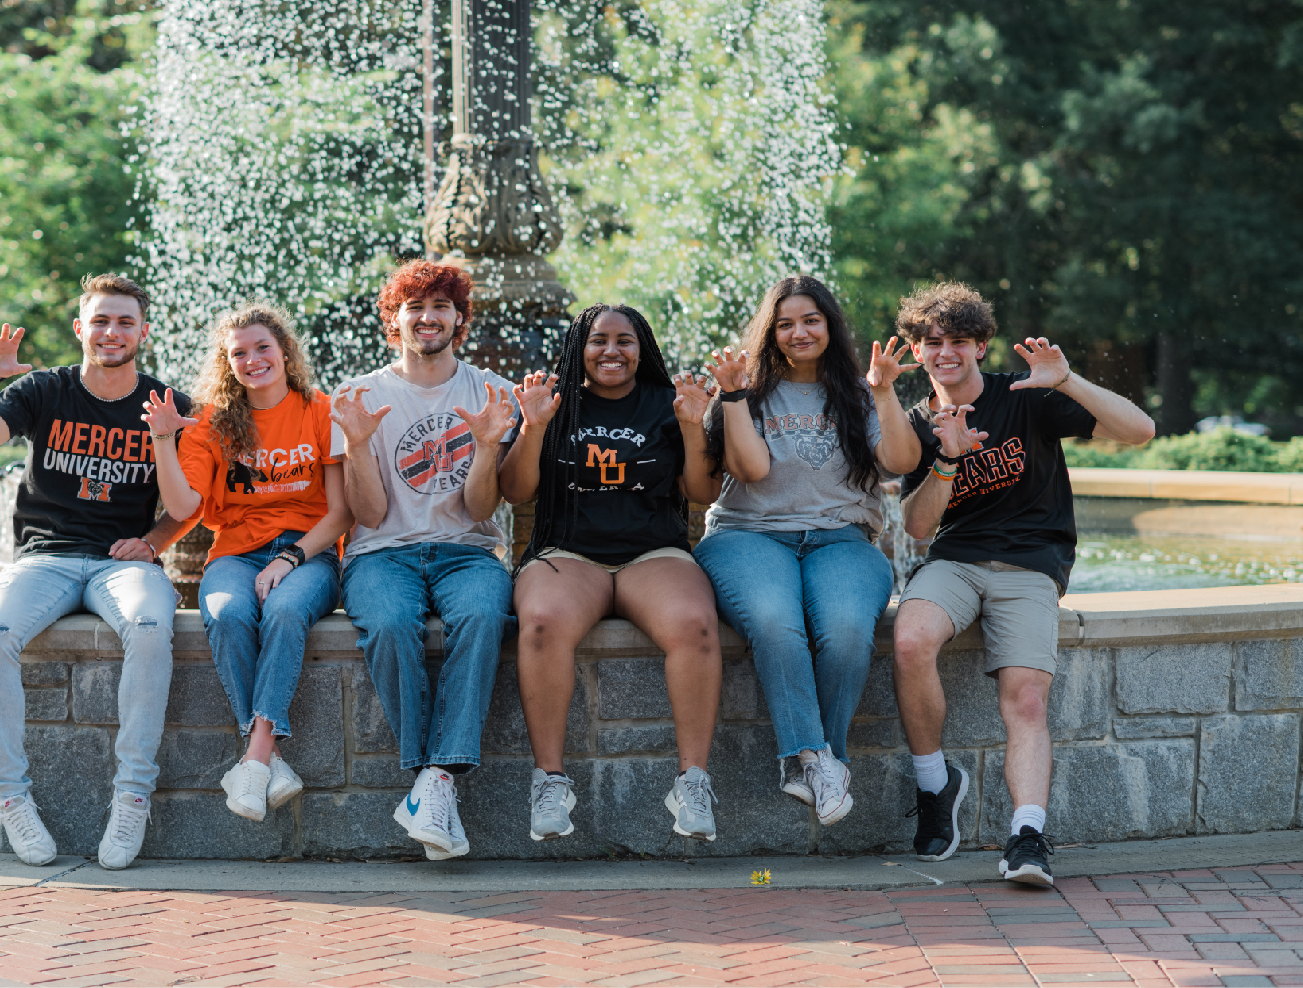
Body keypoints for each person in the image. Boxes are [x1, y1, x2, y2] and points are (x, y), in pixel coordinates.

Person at [891, 282, 1155, 885]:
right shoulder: (918, 422)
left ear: (982, 346)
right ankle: (936, 787)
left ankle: (1027, 837)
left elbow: (1140, 430)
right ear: (917, 349)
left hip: (1032, 566)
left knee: (1027, 698)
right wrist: (948, 459)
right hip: (955, 561)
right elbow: (916, 526)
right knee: (909, 641)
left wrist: (1067, 380)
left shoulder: (1028, 394)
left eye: (959, 340)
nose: (945, 352)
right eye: (932, 342)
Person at [0, 273, 194, 870]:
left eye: (125, 321)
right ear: (81, 328)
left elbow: (190, 504)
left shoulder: (168, 404)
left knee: (154, 628)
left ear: (143, 332)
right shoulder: (43, 391)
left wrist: (155, 540)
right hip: (45, 558)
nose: (112, 331)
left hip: (118, 564)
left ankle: (132, 796)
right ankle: (10, 796)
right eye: (101, 320)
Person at [694, 276, 921, 827]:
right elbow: (751, 472)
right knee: (775, 620)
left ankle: (812, 763)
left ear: (830, 325)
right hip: (748, 535)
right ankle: (822, 761)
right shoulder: (744, 390)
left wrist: (885, 393)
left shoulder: (861, 392)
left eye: (811, 321)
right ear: (769, 332)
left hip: (842, 538)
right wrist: (732, 397)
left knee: (846, 630)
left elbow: (900, 461)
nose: (799, 332)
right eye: (786, 323)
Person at [501, 304, 723, 843]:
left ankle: (693, 781)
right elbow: (515, 491)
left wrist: (694, 427)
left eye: (625, 340)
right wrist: (532, 427)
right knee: (540, 624)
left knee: (694, 624)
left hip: (651, 553)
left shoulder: (666, 405)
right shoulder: (553, 404)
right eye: (599, 340)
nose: (611, 351)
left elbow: (702, 493)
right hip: (569, 553)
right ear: (580, 347)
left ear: (641, 348)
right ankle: (550, 781)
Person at [330, 260, 519, 861]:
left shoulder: (491, 392)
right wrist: (358, 444)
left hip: (466, 552)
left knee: (486, 617)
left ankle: (432, 783)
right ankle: (436, 780)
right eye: (414, 306)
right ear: (395, 319)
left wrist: (487, 445)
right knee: (388, 625)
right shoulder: (358, 397)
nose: (428, 317)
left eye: (440, 306)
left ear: (459, 319)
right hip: (382, 553)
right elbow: (371, 513)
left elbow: (482, 505)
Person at [140, 302, 352, 824]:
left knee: (284, 611)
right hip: (234, 551)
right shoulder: (211, 422)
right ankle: (267, 759)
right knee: (228, 612)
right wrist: (164, 439)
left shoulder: (321, 412)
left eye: (262, 347)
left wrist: (291, 557)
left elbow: (343, 512)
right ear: (227, 362)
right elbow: (186, 506)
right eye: (239, 353)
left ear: (284, 351)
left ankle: (254, 755)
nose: (253, 359)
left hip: (311, 552)